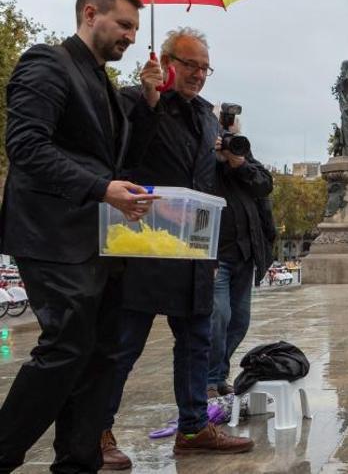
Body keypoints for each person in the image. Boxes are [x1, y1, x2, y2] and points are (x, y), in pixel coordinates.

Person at [0, 0, 158, 472]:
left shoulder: (104, 83)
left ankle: (77, 463)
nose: (131, 36)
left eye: (135, 27)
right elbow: (26, 146)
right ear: (91, 13)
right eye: (124, 24)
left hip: (98, 239)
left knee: (102, 355)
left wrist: (149, 99)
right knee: (66, 347)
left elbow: (113, 152)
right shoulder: (46, 62)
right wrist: (100, 188)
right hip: (52, 234)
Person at [101, 28, 254, 469]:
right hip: (143, 243)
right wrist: (149, 102)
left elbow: (205, 181)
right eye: (190, 64)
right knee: (123, 347)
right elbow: (122, 158)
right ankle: (97, 430)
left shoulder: (207, 118)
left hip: (191, 248)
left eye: (205, 67)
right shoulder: (133, 100)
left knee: (195, 343)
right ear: (166, 61)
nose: (199, 74)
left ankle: (193, 427)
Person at [207, 105, 274, 398]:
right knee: (217, 317)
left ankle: (219, 375)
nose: (227, 136)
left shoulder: (243, 157)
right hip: (216, 254)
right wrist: (213, 155)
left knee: (239, 320)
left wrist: (238, 161)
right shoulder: (204, 156)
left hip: (245, 254)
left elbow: (264, 185)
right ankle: (208, 380)